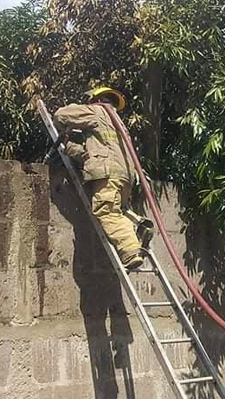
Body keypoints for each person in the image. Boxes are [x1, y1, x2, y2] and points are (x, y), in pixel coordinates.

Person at [53, 87, 153, 269]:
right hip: (125, 176)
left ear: (96, 99)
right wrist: (70, 146)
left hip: (108, 174)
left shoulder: (97, 111)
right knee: (117, 209)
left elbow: (61, 115)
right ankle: (138, 226)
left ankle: (130, 250)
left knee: (105, 211)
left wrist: (66, 128)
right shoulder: (119, 124)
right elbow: (91, 152)